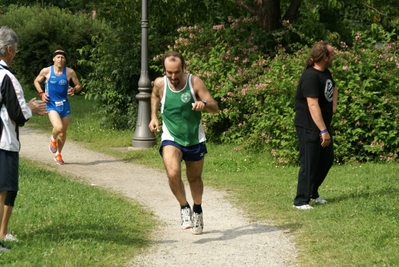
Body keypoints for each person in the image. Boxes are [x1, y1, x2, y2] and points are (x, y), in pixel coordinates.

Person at [149, 51, 219, 234]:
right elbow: (155, 96)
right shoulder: (160, 84)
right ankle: (184, 207)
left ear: (183, 68)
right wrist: (153, 117)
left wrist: (203, 103)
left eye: (176, 72)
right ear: (165, 70)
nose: (173, 76)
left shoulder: (194, 82)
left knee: (194, 179)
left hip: (194, 138)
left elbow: (215, 107)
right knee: (173, 173)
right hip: (171, 136)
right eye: (169, 72)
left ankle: (197, 209)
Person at [0, 26, 47, 251]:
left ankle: (3, 232)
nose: (15, 53)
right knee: (6, 188)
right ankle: (1, 235)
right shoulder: (7, 77)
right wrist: (30, 108)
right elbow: (17, 115)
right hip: (4, 141)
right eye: (15, 50)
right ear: (9, 50)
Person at [293, 41, 338, 210]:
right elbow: (312, 105)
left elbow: (334, 88)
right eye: (332, 54)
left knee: (326, 160)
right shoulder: (310, 76)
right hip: (309, 126)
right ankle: (300, 200)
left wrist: (333, 106)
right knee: (309, 163)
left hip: (322, 126)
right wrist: (323, 130)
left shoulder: (326, 72)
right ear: (324, 57)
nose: (334, 56)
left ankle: (313, 193)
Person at [34, 50, 81, 165]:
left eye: (62, 57)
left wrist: (74, 89)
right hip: (51, 104)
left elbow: (79, 85)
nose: (60, 59)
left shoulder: (69, 72)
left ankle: (58, 154)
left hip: (64, 105)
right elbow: (36, 81)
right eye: (58, 57)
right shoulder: (46, 71)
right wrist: (41, 93)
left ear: (65, 60)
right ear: (54, 59)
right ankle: (52, 139)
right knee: (58, 127)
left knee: (63, 133)